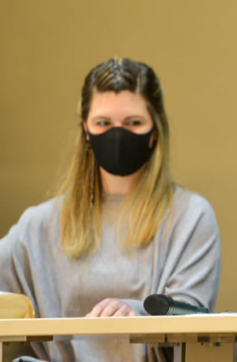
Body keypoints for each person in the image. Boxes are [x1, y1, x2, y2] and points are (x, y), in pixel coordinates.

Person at [0, 58, 221, 361]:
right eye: (103, 123)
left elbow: (191, 316)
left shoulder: (191, 216)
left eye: (133, 123)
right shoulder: (38, 225)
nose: (118, 135)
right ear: (86, 131)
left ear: (155, 130)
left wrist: (138, 310)